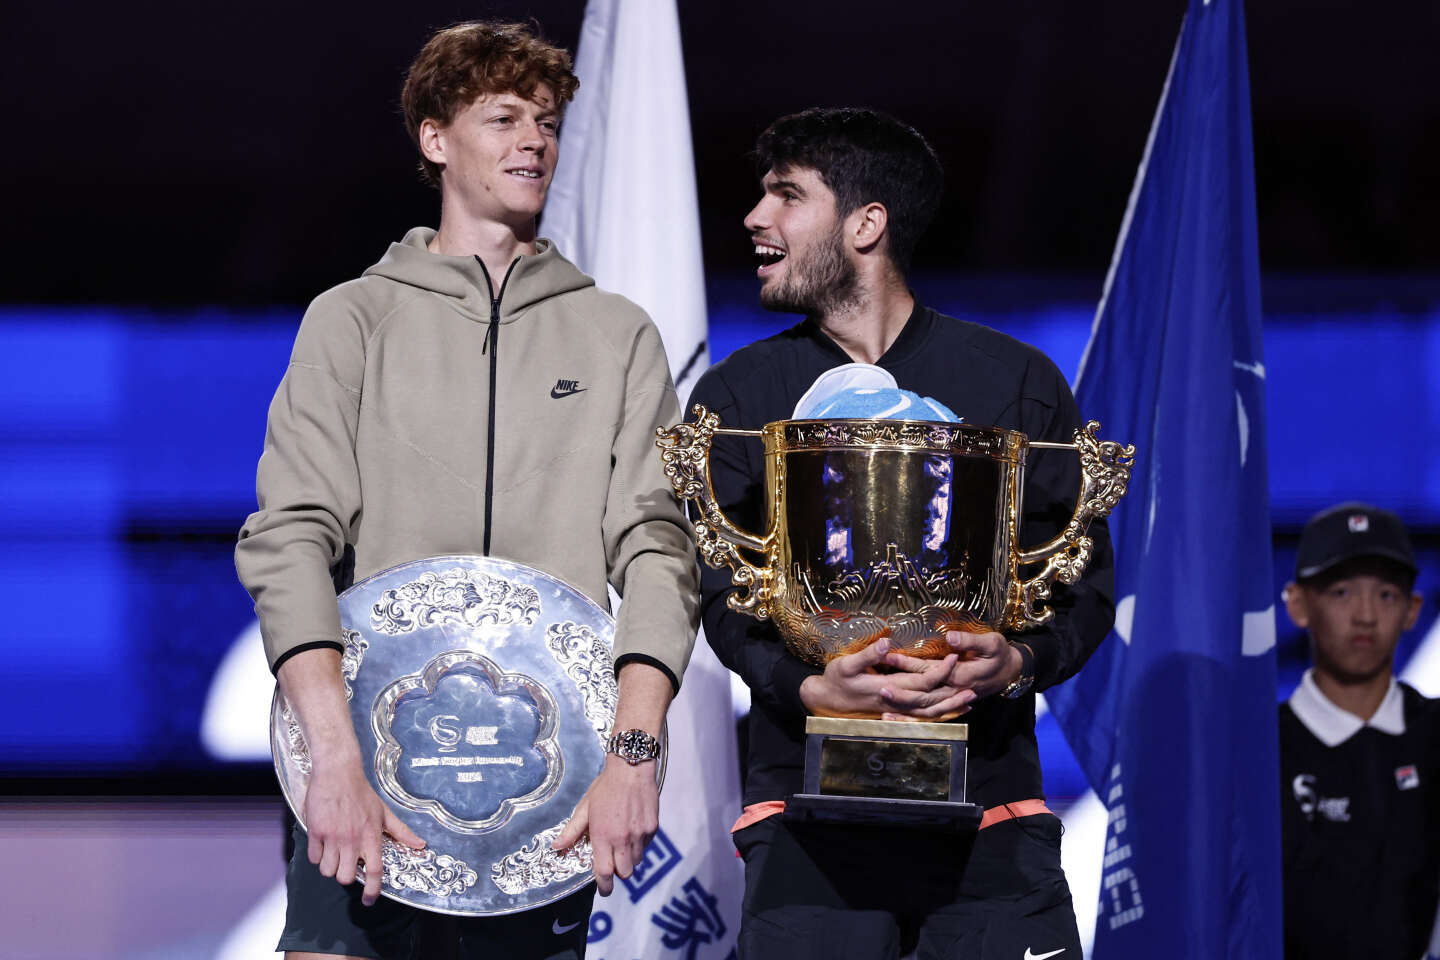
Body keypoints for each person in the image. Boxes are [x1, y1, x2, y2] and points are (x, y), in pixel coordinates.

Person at [234, 21, 698, 960]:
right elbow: (289, 539)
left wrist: (634, 757)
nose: (534, 139)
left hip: (546, 788)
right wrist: (331, 756)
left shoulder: (615, 334)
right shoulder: (353, 318)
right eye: (503, 117)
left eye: (547, 121)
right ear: (435, 139)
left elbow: (659, 548)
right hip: (361, 769)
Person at [688, 107, 1115, 959]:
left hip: (992, 811)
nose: (754, 218)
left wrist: (1016, 662)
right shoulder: (740, 394)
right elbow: (718, 593)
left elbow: (1082, 584)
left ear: (865, 223)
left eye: (785, 196)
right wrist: (804, 686)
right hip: (807, 817)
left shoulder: (1015, 382)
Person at [1279, 502, 1438, 960]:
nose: (1366, 615)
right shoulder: (1257, 750)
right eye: (1343, 592)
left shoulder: (1434, 736)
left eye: (1386, 595)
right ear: (1298, 603)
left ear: (1412, 609)